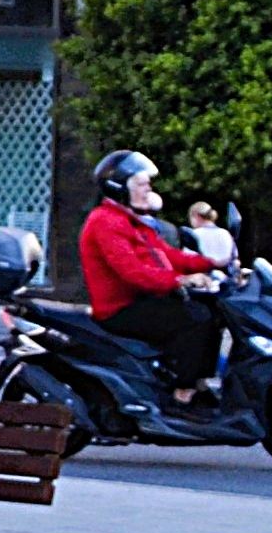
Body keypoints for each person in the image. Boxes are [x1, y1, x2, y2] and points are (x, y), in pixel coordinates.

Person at [81, 151, 221, 402]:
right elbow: (133, 272)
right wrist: (180, 280)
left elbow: (169, 256)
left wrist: (212, 263)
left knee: (212, 310)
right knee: (196, 318)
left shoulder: (131, 221)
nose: (148, 190)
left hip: (142, 301)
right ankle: (182, 392)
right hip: (120, 309)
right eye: (141, 184)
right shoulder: (106, 222)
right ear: (120, 187)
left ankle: (196, 380)